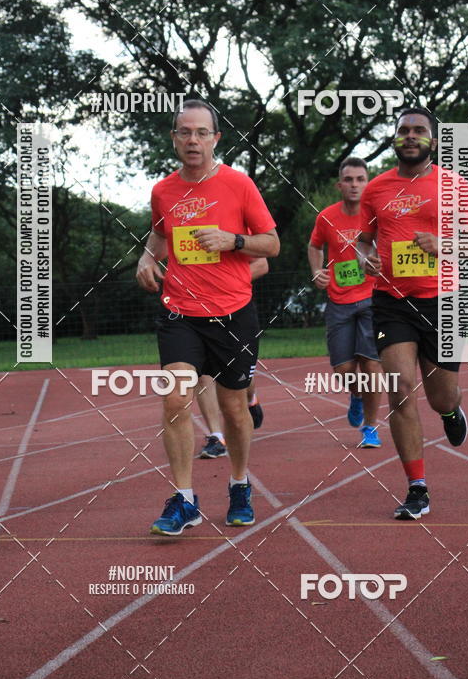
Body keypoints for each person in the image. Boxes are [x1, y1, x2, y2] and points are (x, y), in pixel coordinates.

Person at [137, 100, 279, 535]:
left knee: (235, 408)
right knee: (176, 400)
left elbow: (271, 244)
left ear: (216, 138)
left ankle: (239, 485)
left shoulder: (239, 185)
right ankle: (184, 500)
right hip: (180, 312)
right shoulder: (163, 191)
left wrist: (232, 240)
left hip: (233, 313)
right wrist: (145, 258)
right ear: (174, 138)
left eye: (201, 133)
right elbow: (160, 236)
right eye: (184, 132)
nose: (192, 140)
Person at [357, 108, 468, 519]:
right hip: (391, 302)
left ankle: (451, 411)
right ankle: (417, 487)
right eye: (403, 130)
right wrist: (366, 259)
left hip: (448, 301)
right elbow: (362, 242)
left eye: (419, 131)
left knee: (440, 395)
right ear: (394, 139)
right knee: (399, 389)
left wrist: (444, 246)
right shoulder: (375, 189)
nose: (410, 136)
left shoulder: (455, 185)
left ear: (433, 141)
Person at [308, 158, 383, 448]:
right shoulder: (326, 217)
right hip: (339, 301)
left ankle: (371, 428)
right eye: (349, 180)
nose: (354, 185)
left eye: (360, 179)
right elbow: (314, 246)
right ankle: (357, 394)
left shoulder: (378, 217)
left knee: (372, 365)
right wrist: (316, 271)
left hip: (373, 298)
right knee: (343, 370)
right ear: (339, 185)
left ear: (368, 183)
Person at [197, 258, 268, 458]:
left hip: (234, 311)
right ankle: (216, 436)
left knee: (238, 376)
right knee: (202, 374)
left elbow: (262, 264)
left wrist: (220, 282)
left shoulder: (237, 230)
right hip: (195, 313)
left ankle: (251, 399)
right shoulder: (180, 230)